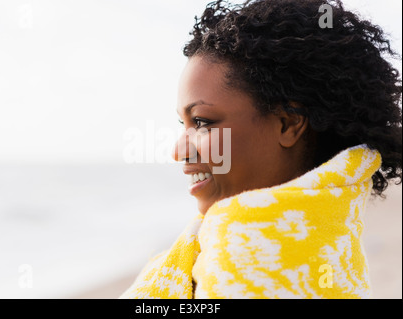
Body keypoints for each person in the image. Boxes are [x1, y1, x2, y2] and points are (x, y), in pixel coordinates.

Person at [120, 0, 401, 299]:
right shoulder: (335, 246)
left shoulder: (241, 251)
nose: (179, 151)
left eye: (202, 121)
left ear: (288, 124)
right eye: (183, 123)